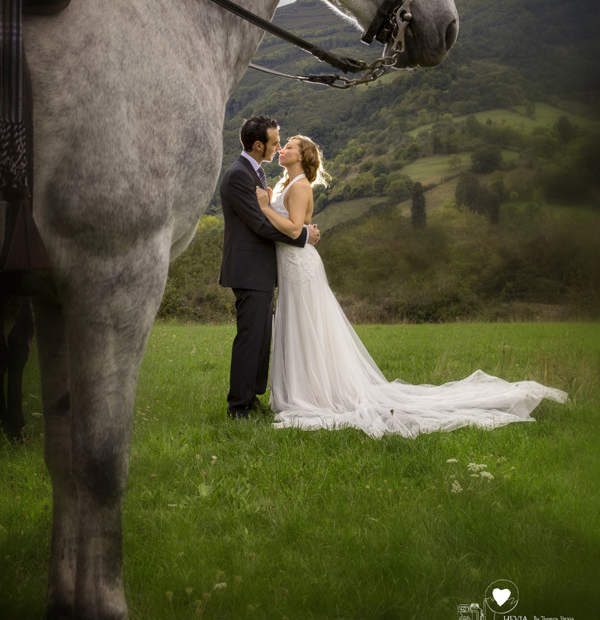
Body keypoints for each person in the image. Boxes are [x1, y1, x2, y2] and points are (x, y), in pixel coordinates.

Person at [256, 135, 568, 438]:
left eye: (291, 147)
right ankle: (307, 389)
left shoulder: (299, 187)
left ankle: (313, 395)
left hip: (299, 267)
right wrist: (271, 201)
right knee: (301, 328)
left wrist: (265, 208)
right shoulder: (288, 184)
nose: (283, 149)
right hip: (293, 265)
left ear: (303, 156)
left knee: (306, 328)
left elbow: (295, 229)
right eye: (283, 146)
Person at [219, 115, 320, 419]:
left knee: (262, 337)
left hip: (261, 269)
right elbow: (261, 223)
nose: (278, 147)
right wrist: (301, 235)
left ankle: (251, 398)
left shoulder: (257, 173)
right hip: (249, 268)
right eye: (276, 142)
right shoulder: (239, 175)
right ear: (259, 144)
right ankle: (239, 406)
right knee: (251, 336)